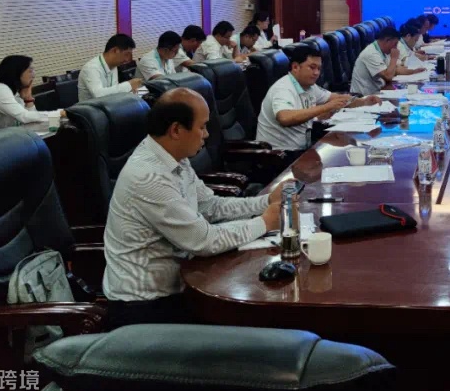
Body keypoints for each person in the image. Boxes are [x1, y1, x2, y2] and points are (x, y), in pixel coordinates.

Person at [102, 88, 285, 329]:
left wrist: (266, 201)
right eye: (202, 127)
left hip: (182, 281)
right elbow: (203, 240)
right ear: (176, 130)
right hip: (146, 307)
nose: (207, 134)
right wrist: (264, 222)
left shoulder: (174, 157)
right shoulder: (148, 177)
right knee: (253, 318)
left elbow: (211, 206)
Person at [256, 44, 381, 152]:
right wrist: (325, 107)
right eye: (312, 67)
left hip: (302, 146)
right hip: (280, 154)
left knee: (347, 144)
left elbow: (337, 99)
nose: (316, 73)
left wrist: (363, 102)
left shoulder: (309, 86)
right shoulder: (283, 88)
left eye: (319, 68)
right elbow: (284, 118)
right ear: (295, 67)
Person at [0, 55, 61, 136]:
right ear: (16, 73)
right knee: (55, 124)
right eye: (30, 71)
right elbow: (24, 117)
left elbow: (29, 121)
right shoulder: (0, 90)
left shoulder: (15, 91)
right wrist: (59, 114)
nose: (33, 75)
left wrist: (28, 100)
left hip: (2, 135)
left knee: (56, 126)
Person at [350, 26, 417, 95]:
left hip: (378, 90)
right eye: (395, 44)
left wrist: (415, 71)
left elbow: (396, 69)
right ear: (387, 40)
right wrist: (394, 58)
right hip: (363, 96)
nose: (396, 47)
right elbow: (388, 76)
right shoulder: (371, 53)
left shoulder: (383, 50)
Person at [78, 34, 142, 101]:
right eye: (126, 54)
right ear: (114, 50)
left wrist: (136, 91)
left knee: (143, 98)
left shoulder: (114, 65)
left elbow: (114, 92)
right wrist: (129, 85)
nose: (127, 59)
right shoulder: (91, 68)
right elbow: (99, 95)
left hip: (110, 104)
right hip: (92, 107)